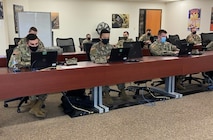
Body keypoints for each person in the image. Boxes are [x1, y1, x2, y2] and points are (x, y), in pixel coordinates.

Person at [8, 34, 47, 118]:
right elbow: (12, 64)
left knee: (47, 84)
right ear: (27, 43)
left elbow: (45, 58)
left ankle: (37, 106)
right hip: (25, 75)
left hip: (38, 73)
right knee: (32, 85)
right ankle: (34, 106)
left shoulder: (40, 47)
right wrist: (29, 64)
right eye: (32, 44)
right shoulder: (19, 49)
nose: (35, 46)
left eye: (36, 43)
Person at [90, 29, 131, 105]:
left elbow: (115, 55)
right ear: (100, 37)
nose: (106, 39)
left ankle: (122, 91)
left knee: (119, 72)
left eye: (108, 37)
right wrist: (106, 58)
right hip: (99, 69)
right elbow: (94, 59)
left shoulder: (110, 46)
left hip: (110, 67)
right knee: (105, 74)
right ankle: (106, 94)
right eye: (104, 37)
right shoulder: (95, 47)